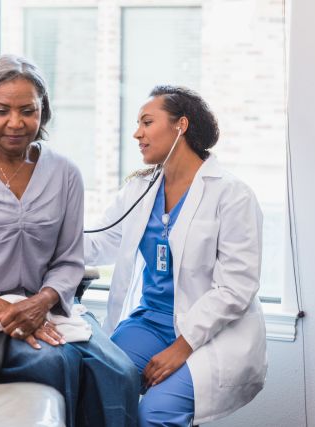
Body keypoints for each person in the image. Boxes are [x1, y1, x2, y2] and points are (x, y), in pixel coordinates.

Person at [0, 54, 139, 427]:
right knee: (53, 362)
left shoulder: (65, 173)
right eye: (2, 110)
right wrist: (10, 312)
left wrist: (39, 304)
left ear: (43, 111)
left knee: (121, 372)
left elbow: (69, 261)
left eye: (28, 110)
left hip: (49, 306)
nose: (16, 123)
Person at [85, 85, 267, 426]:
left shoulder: (231, 195)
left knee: (154, 413)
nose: (137, 133)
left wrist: (182, 347)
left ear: (180, 125)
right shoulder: (139, 189)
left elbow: (236, 288)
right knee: (97, 383)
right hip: (151, 323)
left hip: (212, 333)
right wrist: (40, 233)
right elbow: (98, 243)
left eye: (147, 122)